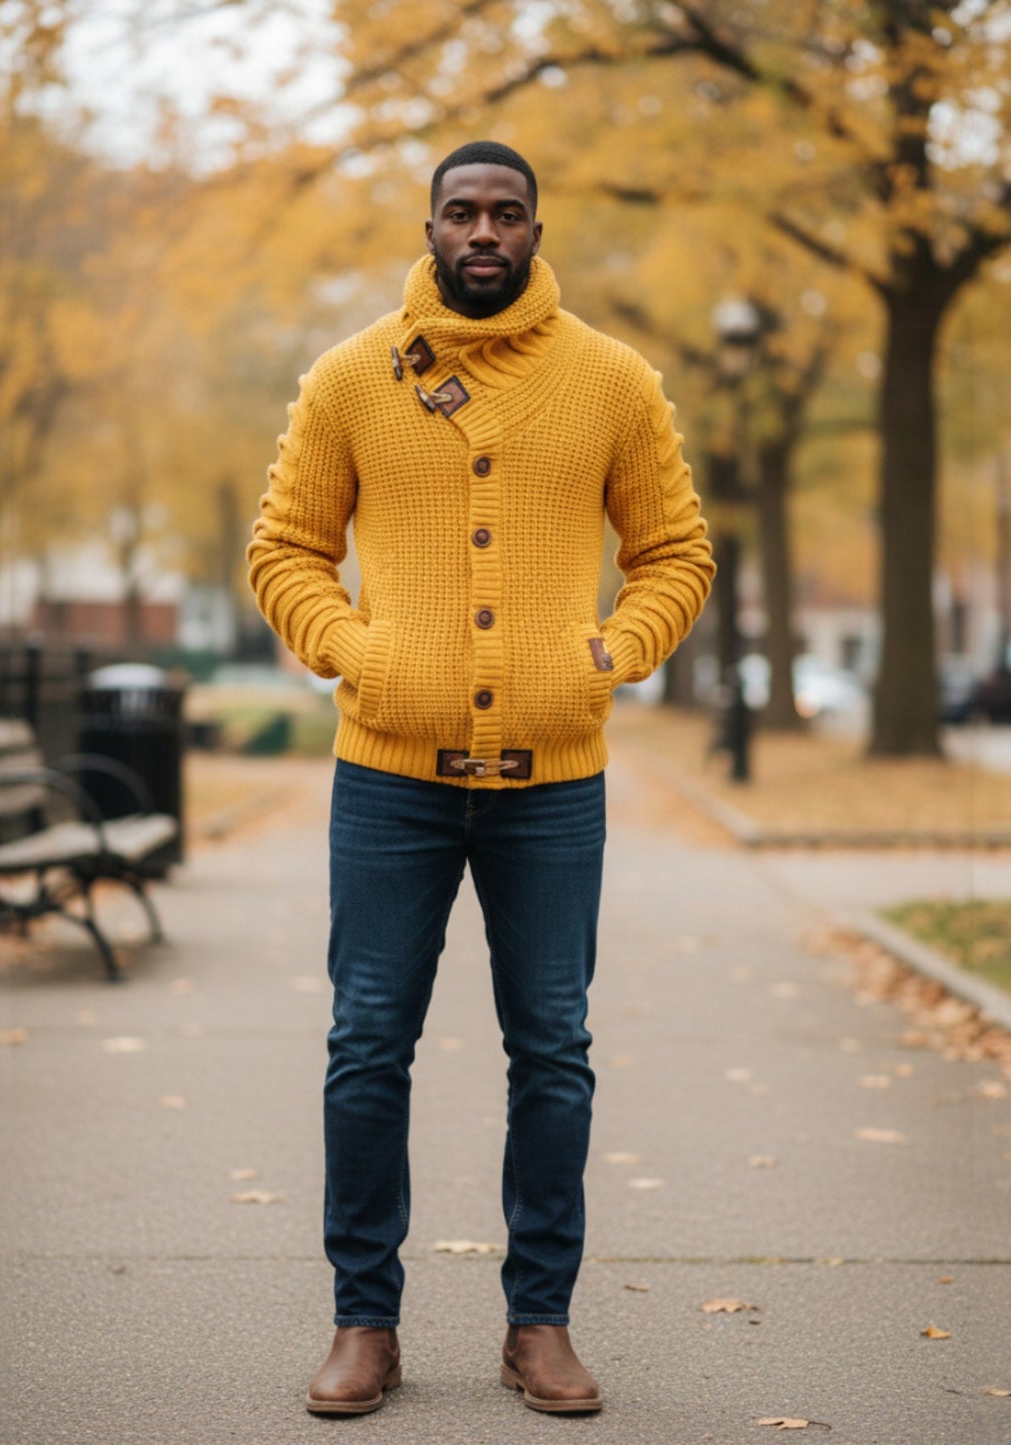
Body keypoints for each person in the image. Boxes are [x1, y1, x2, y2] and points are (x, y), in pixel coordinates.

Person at [248, 140, 714, 1416]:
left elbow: (674, 551)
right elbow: (285, 547)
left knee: (552, 1052)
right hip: (388, 778)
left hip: (552, 780)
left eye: (506, 212)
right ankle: (363, 1320)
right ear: (431, 226)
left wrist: (610, 653)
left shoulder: (612, 380)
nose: (484, 232)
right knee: (365, 1046)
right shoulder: (351, 377)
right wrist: (359, 651)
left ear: (534, 226)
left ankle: (539, 1322)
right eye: (462, 212)